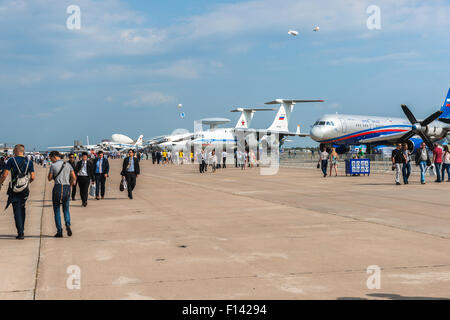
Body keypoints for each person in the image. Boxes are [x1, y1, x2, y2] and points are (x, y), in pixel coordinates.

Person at [0, 144, 36, 239]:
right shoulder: (29, 162)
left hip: (14, 189)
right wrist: (26, 183)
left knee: (16, 210)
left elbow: (5, 174)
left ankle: (20, 232)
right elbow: (32, 176)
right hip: (25, 189)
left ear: (16, 151)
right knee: (22, 208)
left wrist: (0, 183)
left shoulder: (12, 160)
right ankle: (22, 229)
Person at [48, 151, 76, 238]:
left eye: (50, 158)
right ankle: (67, 224)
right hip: (67, 187)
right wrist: (70, 185)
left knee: (57, 210)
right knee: (66, 209)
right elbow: (74, 177)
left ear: (54, 157)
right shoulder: (68, 165)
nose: (50, 160)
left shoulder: (53, 166)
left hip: (58, 187)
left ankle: (59, 231)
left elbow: (49, 178)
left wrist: (53, 175)